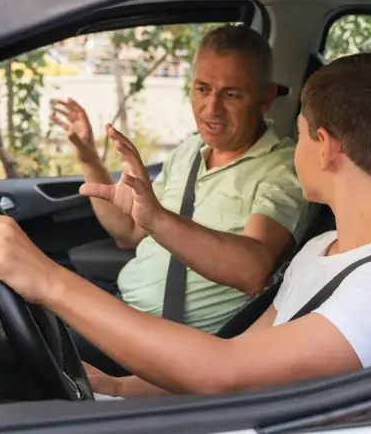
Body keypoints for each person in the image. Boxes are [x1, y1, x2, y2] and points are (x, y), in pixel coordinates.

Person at [0, 52, 371, 397]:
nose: (296, 152)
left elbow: (223, 374)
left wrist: (46, 279)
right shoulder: (326, 250)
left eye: (302, 135)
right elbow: (237, 357)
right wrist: (115, 387)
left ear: (327, 146)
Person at [47, 24, 311, 341]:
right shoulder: (189, 150)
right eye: (202, 89)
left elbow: (252, 272)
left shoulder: (283, 167)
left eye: (231, 94)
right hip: (123, 312)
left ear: (265, 98)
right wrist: (90, 160)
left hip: (175, 346)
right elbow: (129, 235)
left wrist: (158, 218)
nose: (211, 109)